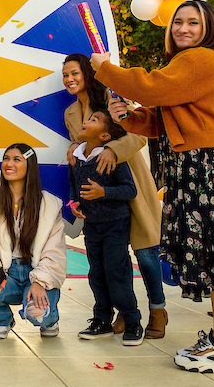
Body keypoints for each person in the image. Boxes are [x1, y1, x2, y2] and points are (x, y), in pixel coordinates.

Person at [94, 0, 214, 376]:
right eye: (178, 22)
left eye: (193, 22)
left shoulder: (201, 60)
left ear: (208, 27)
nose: (183, 28)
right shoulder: (187, 65)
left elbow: (149, 87)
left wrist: (105, 69)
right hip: (194, 170)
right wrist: (131, 118)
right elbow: (165, 120)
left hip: (207, 171)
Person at [63, 54, 167, 338]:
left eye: (75, 73)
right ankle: (125, 311)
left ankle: (158, 309)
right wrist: (73, 147)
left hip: (128, 179)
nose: (70, 79)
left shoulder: (112, 97)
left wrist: (114, 149)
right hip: (102, 199)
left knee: (145, 252)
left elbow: (141, 134)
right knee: (113, 259)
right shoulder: (70, 113)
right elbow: (83, 142)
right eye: (66, 75)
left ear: (87, 72)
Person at [0, 144, 65, 339]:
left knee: (39, 316)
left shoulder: (49, 204)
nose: (8, 164)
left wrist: (40, 281)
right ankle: (2, 319)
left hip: (35, 271)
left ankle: (50, 319)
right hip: (5, 271)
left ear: (30, 165)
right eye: (6, 158)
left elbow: (54, 251)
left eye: (16, 159)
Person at [71, 110, 144, 345]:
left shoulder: (113, 158)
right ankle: (101, 319)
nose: (86, 121)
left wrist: (104, 192)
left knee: (117, 272)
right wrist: (75, 204)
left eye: (93, 120)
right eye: (88, 118)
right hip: (92, 226)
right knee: (96, 273)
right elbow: (75, 188)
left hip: (115, 224)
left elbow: (129, 190)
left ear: (104, 136)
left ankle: (132, 321)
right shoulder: (78, 158)